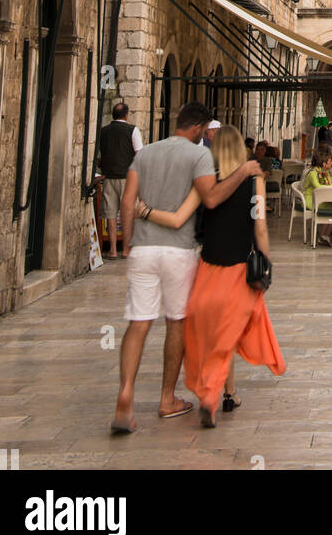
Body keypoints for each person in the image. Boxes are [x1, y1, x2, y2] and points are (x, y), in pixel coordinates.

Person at [110, 102, 261, 434]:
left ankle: (125, 394)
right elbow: (211, 198)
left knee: (138, 323)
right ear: (198, 129)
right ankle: (167, 399)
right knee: (176, 323)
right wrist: (246, 171)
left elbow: (126, 201)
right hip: (178, 249)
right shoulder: (199, 157)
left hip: (143, 249)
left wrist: (126, 243)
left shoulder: (145, 153)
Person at [137, 124, 286, 426]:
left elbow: (179, 218)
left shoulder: (205, 184)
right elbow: (259, 226)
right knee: (227, 336)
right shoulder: (253, 181)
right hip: (238, 273)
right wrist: (266, 262)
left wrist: (145, 212)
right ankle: (210, 396)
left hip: (207, 272)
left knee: (215, 335)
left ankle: (228, 392)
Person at [97, 101, 142, 259]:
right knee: (127, 212)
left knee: (110, 213)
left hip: (108, 176)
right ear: (126, 114)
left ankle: (113, 250)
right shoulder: (132, 130)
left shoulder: (103, 131)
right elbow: (139, 155)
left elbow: (100, 155)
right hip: (127, 177)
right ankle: (126, 249)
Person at [301, 149, 332, 246]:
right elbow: (317, 187)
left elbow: (329, 186)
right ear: (324, 164)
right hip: (310, 200)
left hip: (320, 198)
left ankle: (324, 235)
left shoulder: (325, 173)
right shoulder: (313, 173)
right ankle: (323, 235)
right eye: (330, 162)